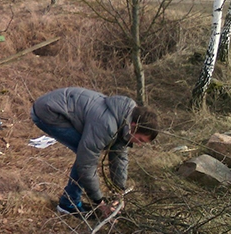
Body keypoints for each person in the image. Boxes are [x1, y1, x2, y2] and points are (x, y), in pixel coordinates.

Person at [30, 87, 159, 218]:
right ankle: (68, 205)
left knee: (86, 155)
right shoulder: (107, 125)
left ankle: (71, 200)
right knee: (85, 158)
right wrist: (99, 202)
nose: (139, 144)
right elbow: (86, 164)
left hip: (59, 107)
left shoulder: (124, 121)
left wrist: (119, 193)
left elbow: (119, 158)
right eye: (140, 139)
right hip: (48, 112)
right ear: (134, 125)